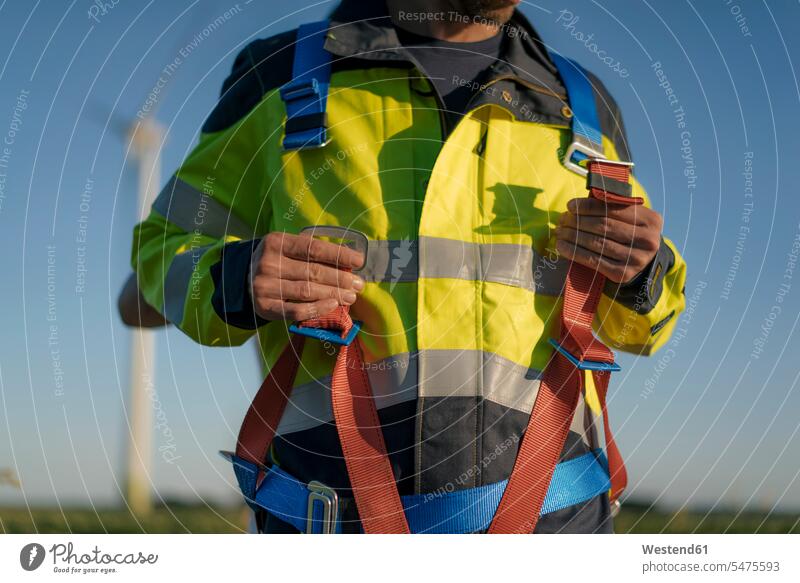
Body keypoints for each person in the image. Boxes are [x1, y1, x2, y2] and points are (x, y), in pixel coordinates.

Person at [131, 0, 686, 533]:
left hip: (562, 529)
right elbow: (166, 242)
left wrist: (641, 274)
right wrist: (233, 277)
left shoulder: (583, 100)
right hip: (327, 526)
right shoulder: (279, 73)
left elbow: (649, 320)